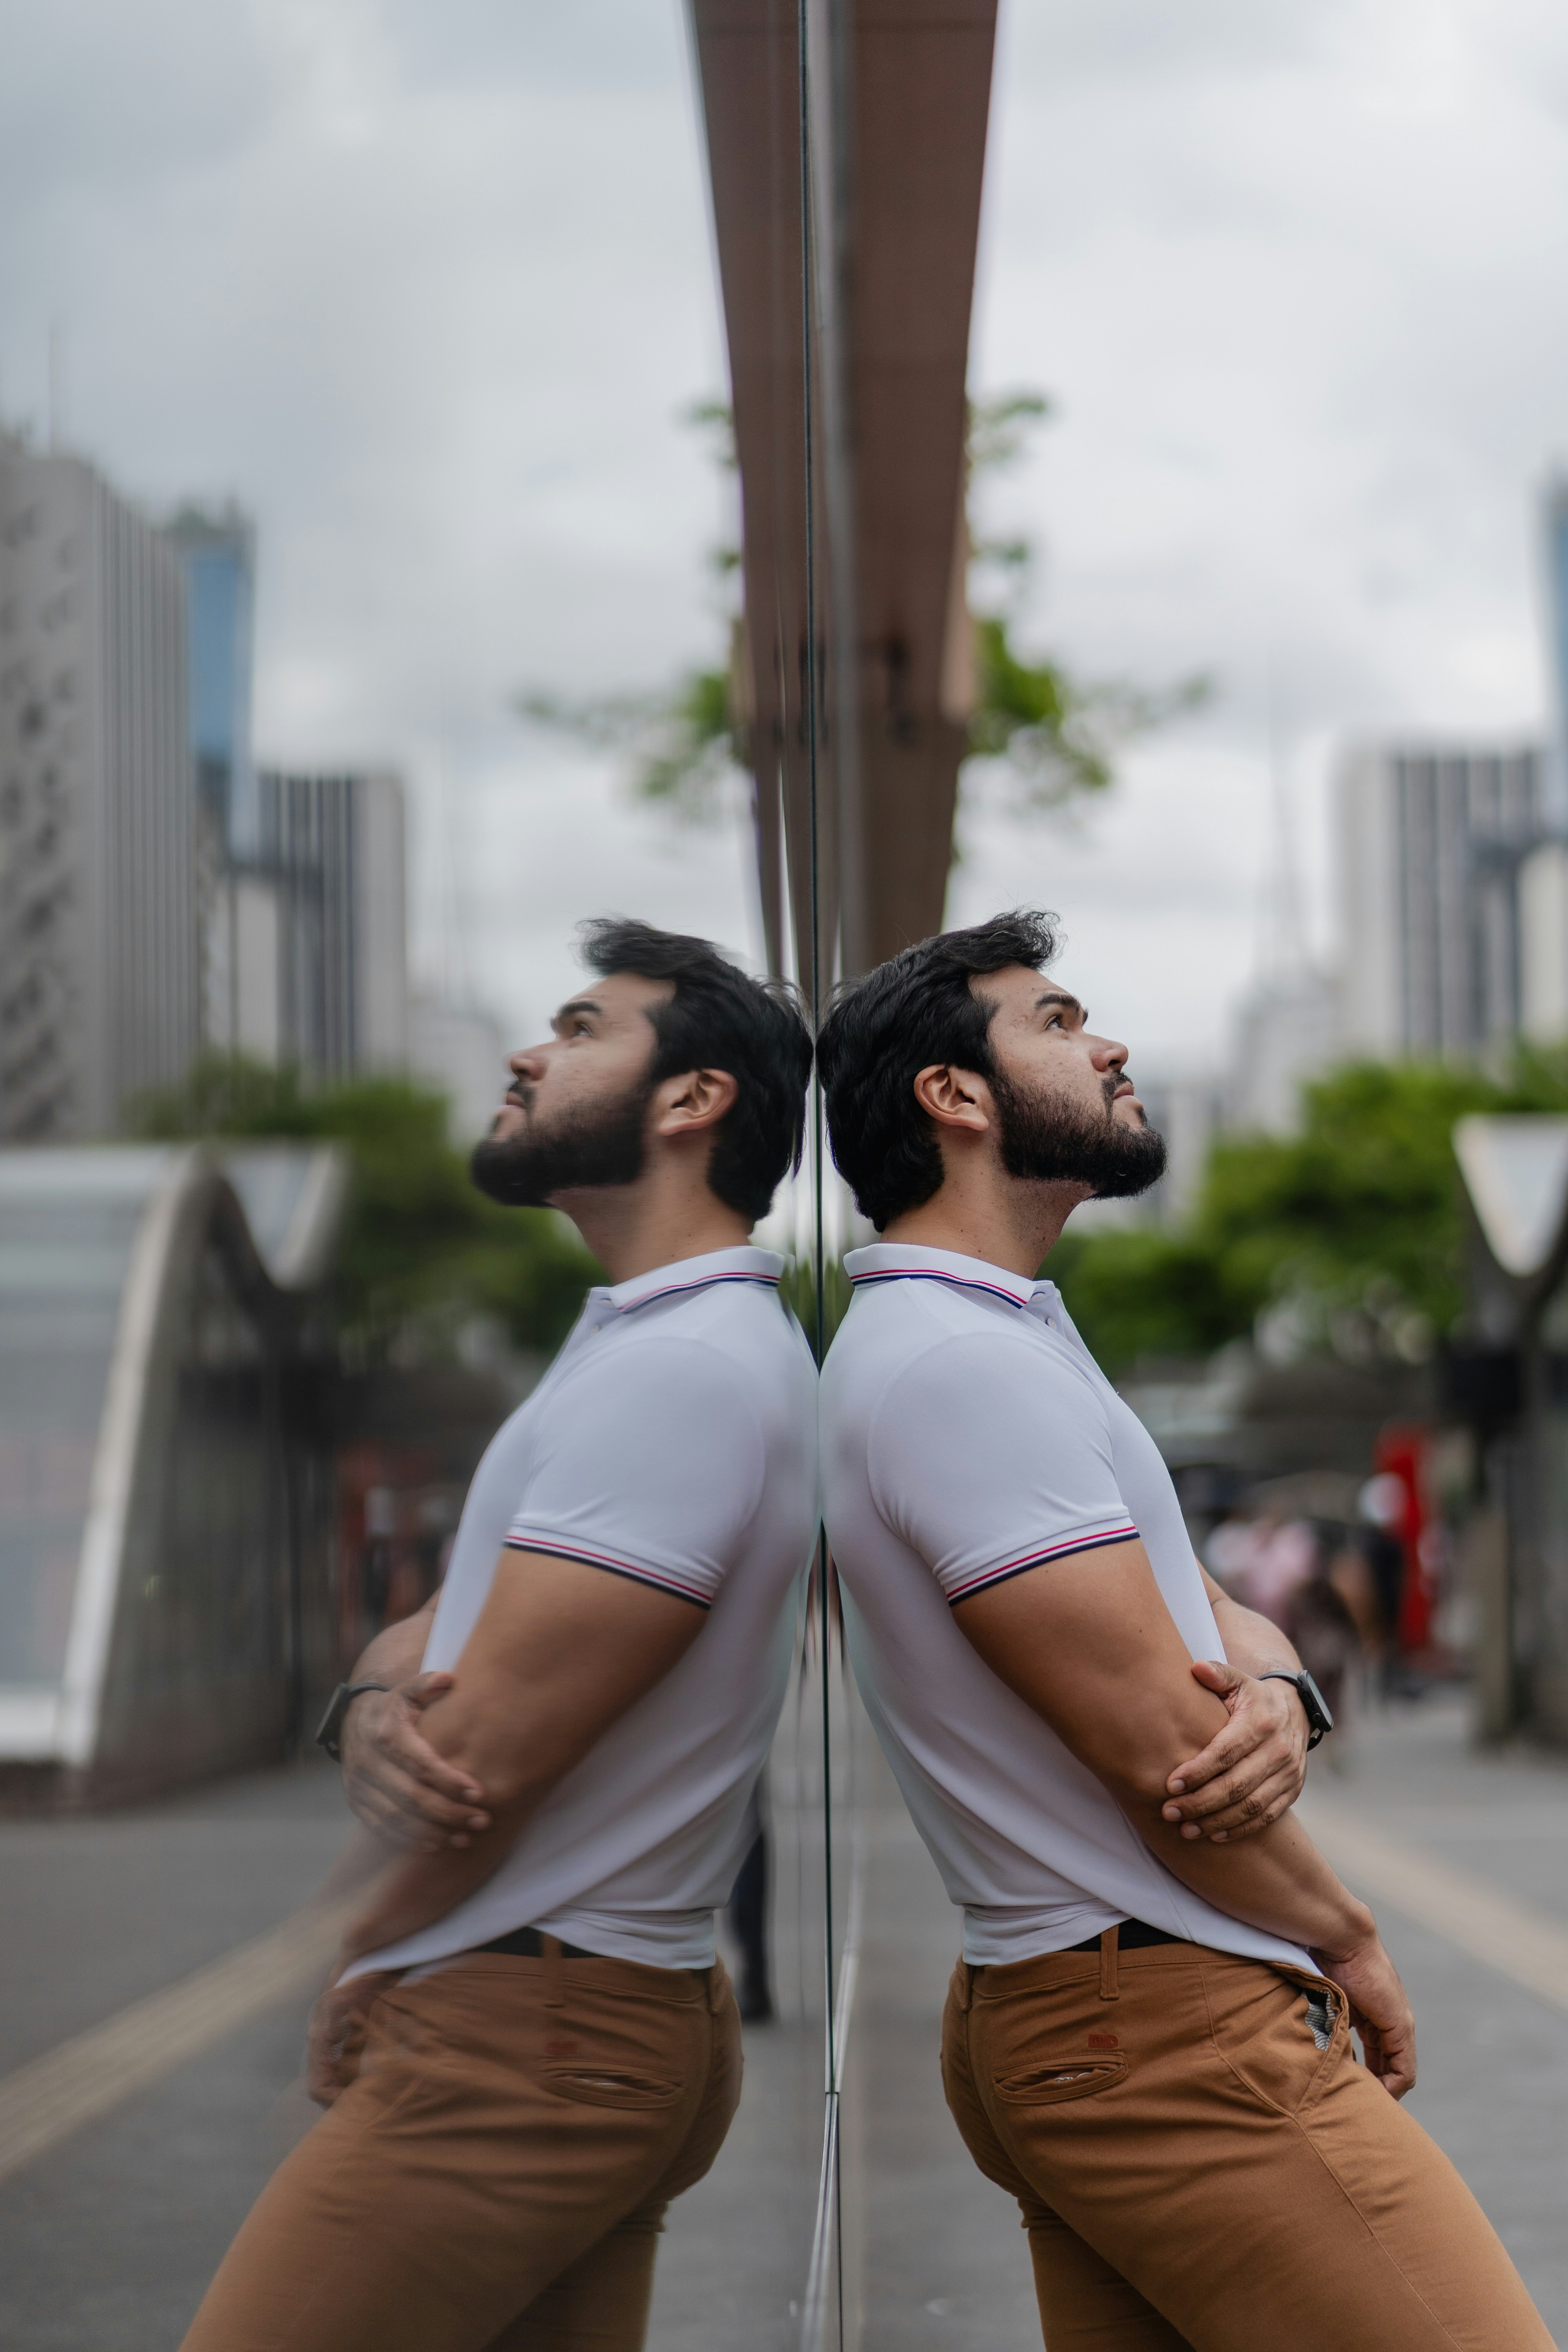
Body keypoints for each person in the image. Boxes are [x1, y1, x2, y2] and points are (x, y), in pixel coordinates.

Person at [815, 909, 1551, 2352]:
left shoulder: (1005, 1332)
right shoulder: (960, 1364)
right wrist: (1344, 1934)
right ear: (954, 1099)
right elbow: (1162, 1748)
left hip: (1098, 2011)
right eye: (1060, 1020)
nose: (1112, 1046)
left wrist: (1278, 1693)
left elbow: (1204, 1610)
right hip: (1162, 2028)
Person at [181, 919, 818, 2352]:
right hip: (578, 2019)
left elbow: (480, 1754)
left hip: (525, 2038)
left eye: (583, 1028)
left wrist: (354, 1946)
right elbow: (442, 1633)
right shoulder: (643, 1347)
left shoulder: (686, 1373)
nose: (533, 1052)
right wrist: (368, 1693)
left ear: (692, 1099)